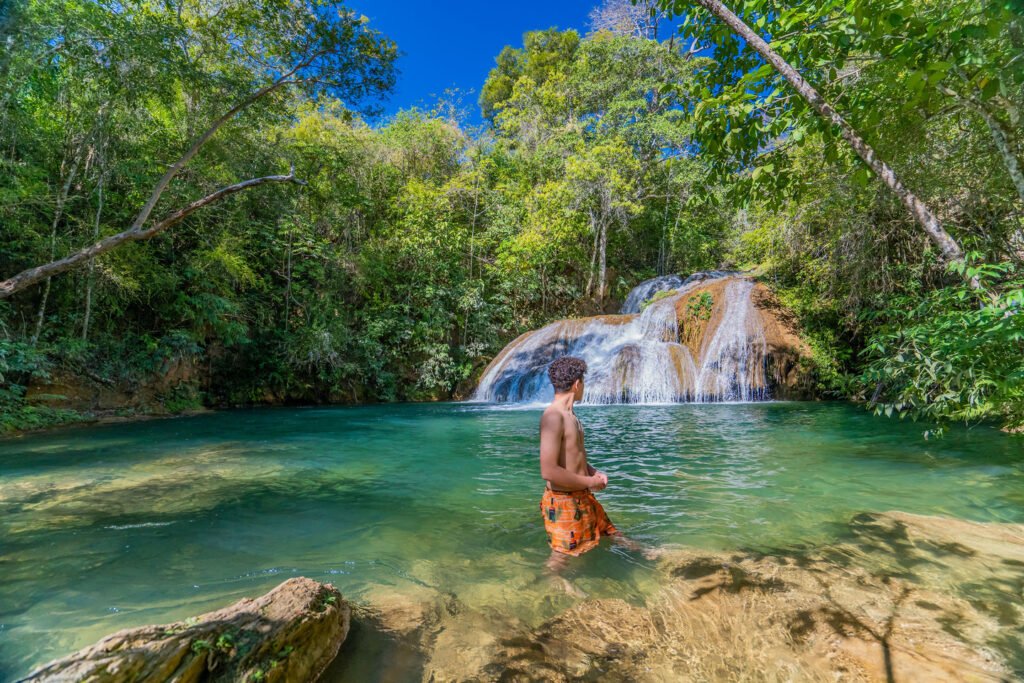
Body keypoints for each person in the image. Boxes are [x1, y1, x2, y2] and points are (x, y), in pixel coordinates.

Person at [538, 356, 617, 569]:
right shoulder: (553, 416)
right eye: (583, 383)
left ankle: (645, 554)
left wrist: (594, 473)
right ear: (577, 384)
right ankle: (548, 587)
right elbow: (549, 471)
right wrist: (589, 482)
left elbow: (575, 457)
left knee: (610, 533)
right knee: (560, 557)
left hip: (582, 494)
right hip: (563, 500)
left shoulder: (571, 416)